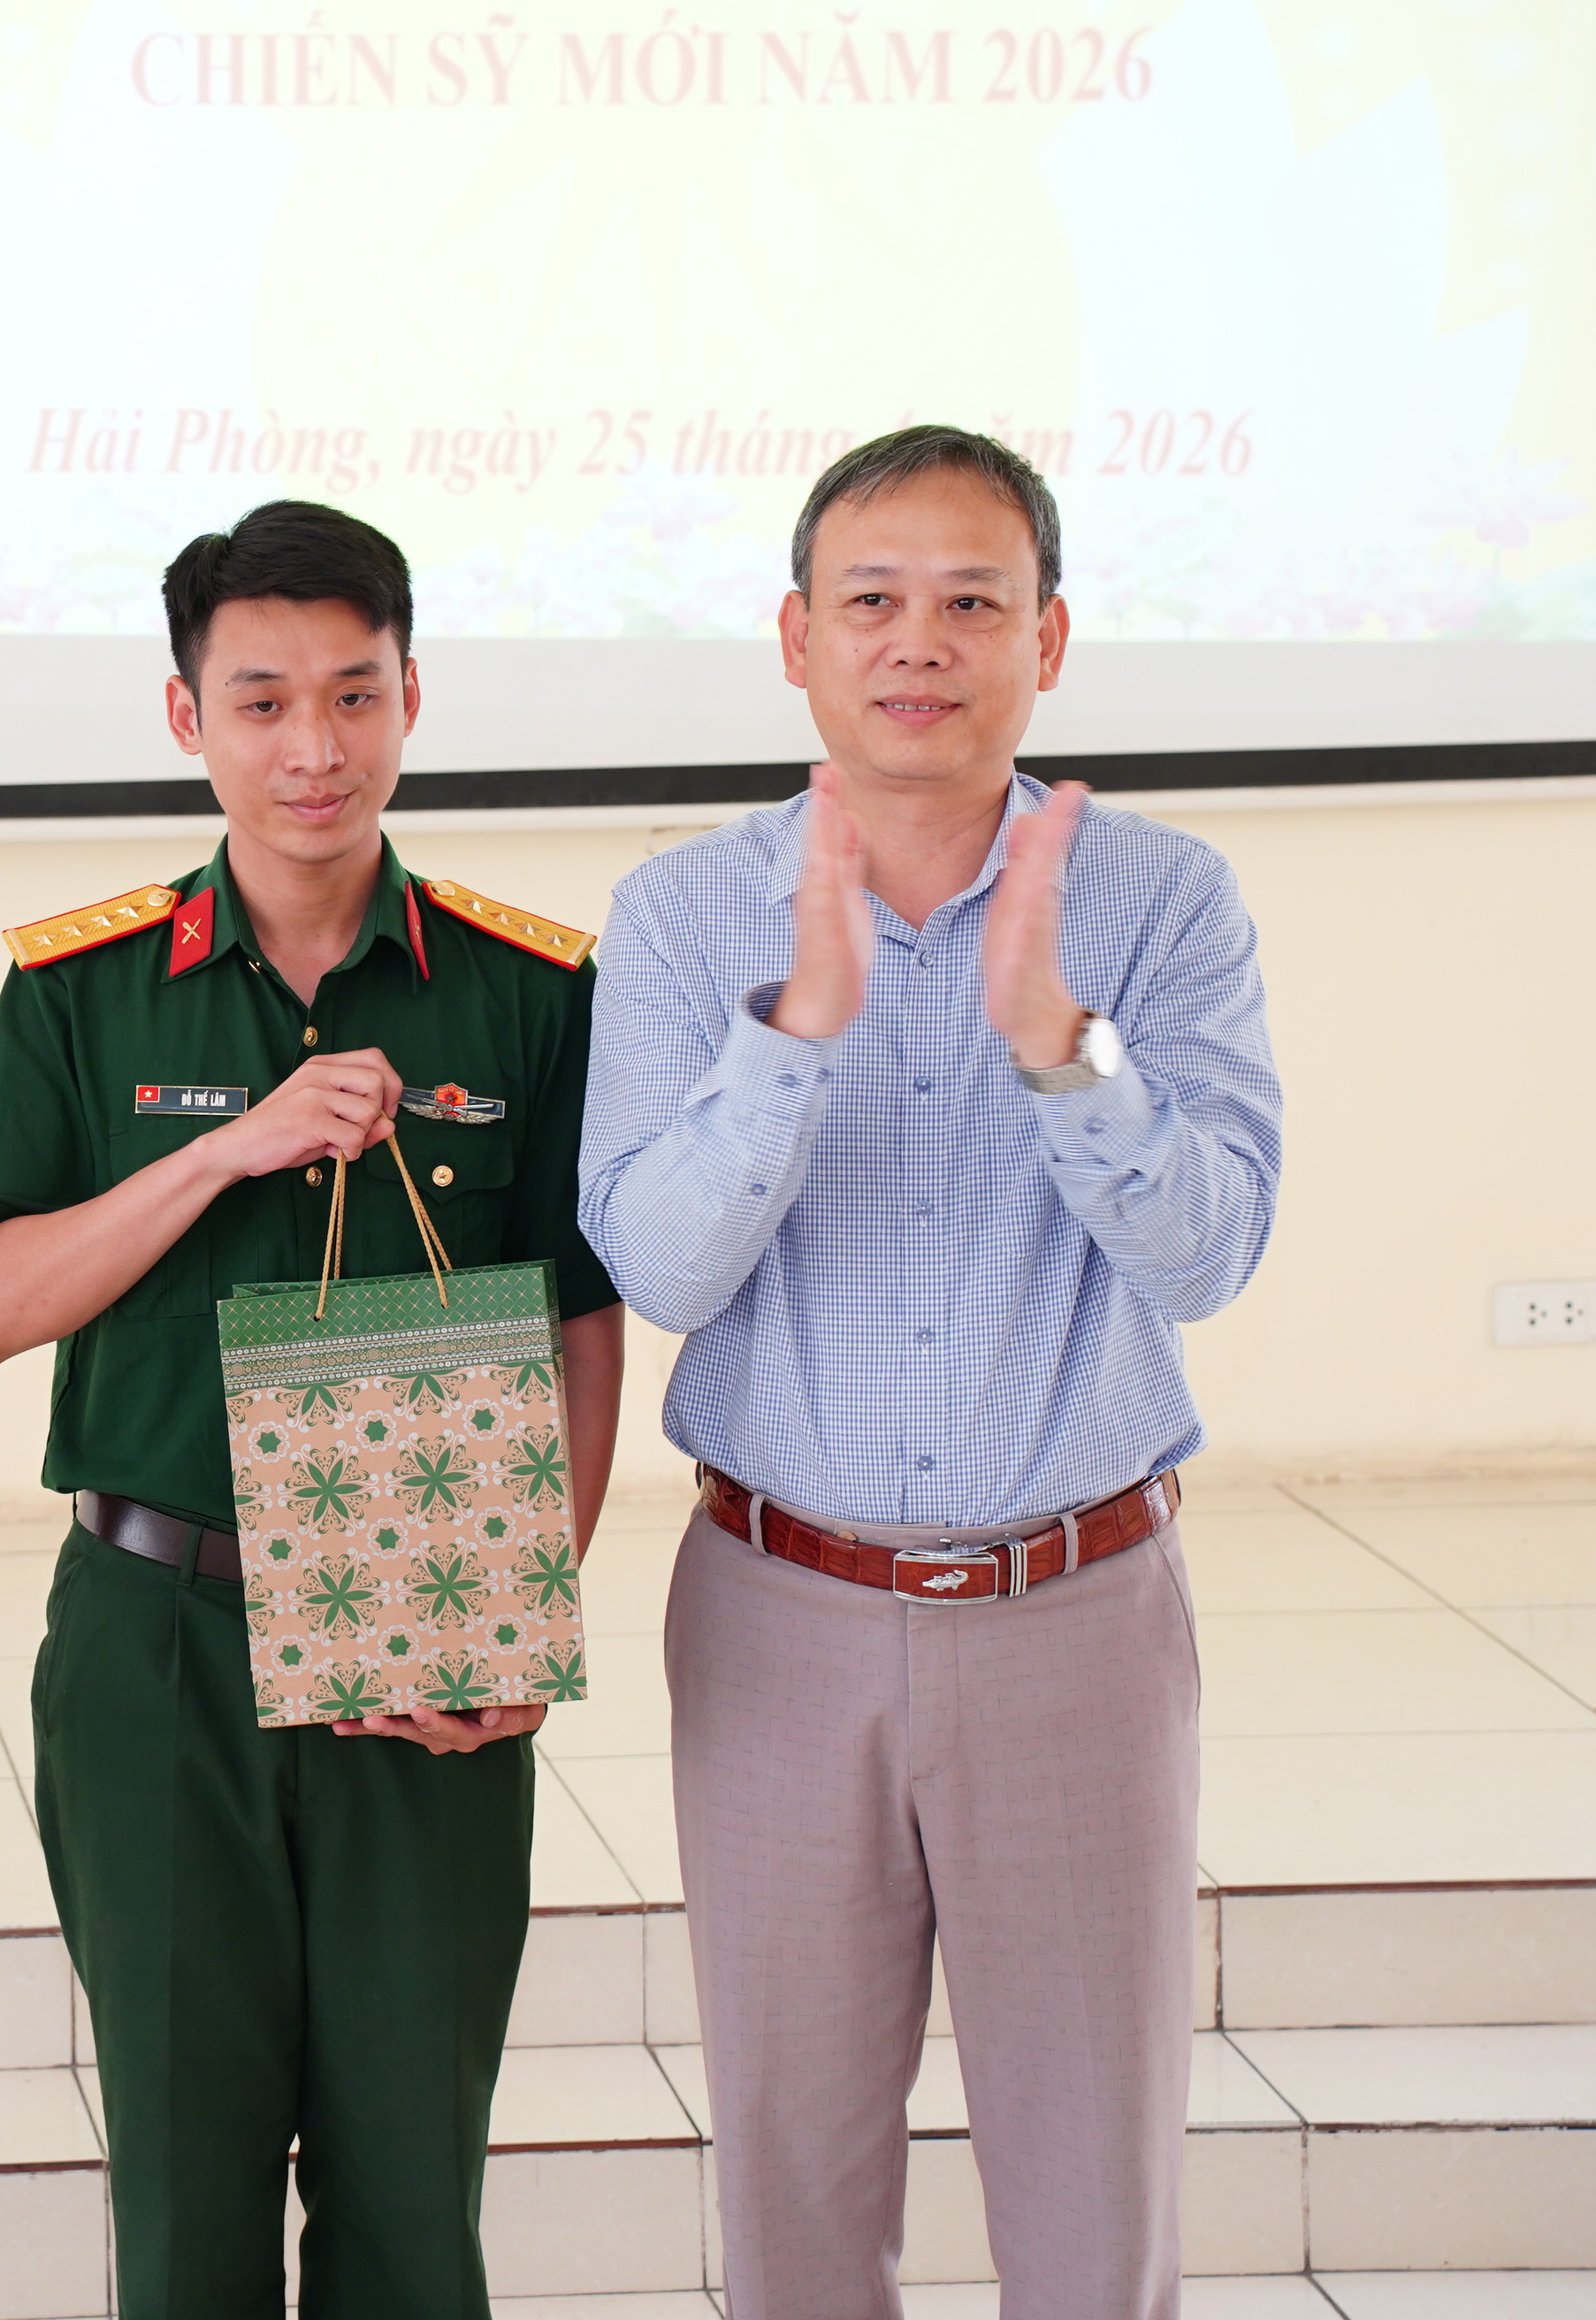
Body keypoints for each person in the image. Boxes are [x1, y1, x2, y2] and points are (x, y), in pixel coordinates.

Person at [579, 425, 1282, 2319]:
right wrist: (792, 1038)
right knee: (795, 2195)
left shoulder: (1164, 900)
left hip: (1076, 1616)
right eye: (872, 600)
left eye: (973, 600)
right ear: (794, 637)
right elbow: (660, 1267)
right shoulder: (681, 915)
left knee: (1091, 2197)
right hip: (779, 1615)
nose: (920, 641)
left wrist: (1064, 1046)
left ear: (1045, 639)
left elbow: (1209, 1255)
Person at [0, 500, 626, 2320]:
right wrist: (222, 1152)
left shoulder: (528, 989)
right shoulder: (80, 991)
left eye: (352, 694)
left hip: (425, 1640)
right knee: (187, 2193)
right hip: (157, 1637)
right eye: (260, 702)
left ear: (411, 697)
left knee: (413, 2194)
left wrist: (520, 1617)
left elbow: (578, 1319)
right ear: (189, 719)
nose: (312, 747)